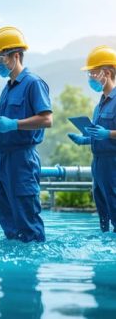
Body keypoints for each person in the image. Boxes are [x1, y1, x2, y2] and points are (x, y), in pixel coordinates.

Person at [0, 26, 53, 242]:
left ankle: (30, 269)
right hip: (3, 160)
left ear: (16, 55)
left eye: (0, 57)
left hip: (23, 160)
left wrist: (14, 124)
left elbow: (46, 119)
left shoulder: (33, 83)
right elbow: (3, 125)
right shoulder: (7, 89)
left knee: (27, 223)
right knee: (8, 222)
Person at [68, 45, 116, 233]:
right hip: (98, 164)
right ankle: (106, 245)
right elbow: (99, 135)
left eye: (93, 73)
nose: (90, 78)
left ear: (106, 72)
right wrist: (85, 139)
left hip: (113, 165)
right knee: (103, 210)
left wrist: (108, 134)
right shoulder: (100, 104)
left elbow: (107, 134)